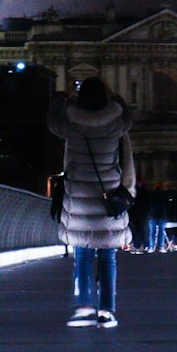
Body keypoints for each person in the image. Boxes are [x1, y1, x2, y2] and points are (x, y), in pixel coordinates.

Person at [47, 77, 134, 327]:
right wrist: (116, 97)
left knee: (83, 254)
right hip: (108, 199)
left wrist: (61, 99)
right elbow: (127, 118)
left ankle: (84, 305)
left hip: (80, 198)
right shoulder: (117, 123)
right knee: (108, 257)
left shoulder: (72, 123)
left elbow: (53, 122)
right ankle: (107, 311)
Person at [146, 185, 170, 252]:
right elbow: (167, 205)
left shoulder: (151, 195)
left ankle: (151, 247)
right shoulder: (164, 195)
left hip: (152, 215)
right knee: (161, 231)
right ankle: (161, 247)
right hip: (161, 215)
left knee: (152, 232)